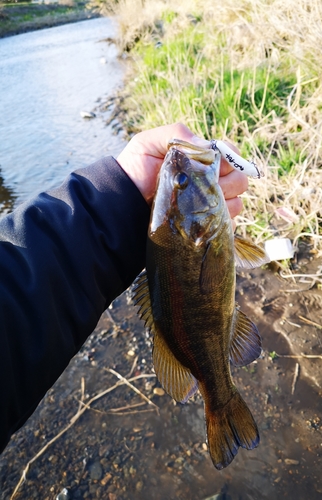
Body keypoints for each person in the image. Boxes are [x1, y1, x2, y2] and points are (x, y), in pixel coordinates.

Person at [0, 123, 248, 454]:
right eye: (181, 181)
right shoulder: (204, 231)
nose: (180, 171)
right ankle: (221, 399)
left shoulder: (200, 231)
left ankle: (220, 400)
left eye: (178, 180)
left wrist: (122, 195)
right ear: (198, 234)